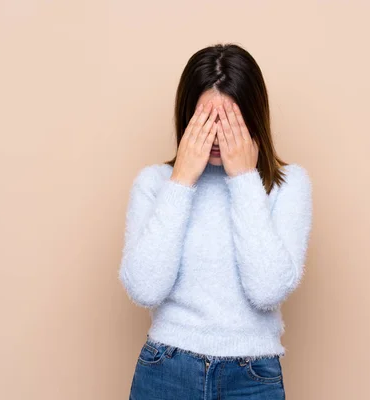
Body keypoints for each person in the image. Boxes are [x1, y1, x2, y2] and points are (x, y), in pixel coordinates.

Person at [119, 43, 313, 399]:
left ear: (253, 117)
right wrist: (181, 182)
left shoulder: (288, 185)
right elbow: (145, 289)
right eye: (206, 120)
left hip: (252, 375)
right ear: (187, 116)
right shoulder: (154, 183)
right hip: (166, 367)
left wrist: (243, 179)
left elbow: (267, 289)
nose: (217, 135)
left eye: (230, 121)